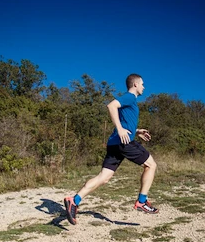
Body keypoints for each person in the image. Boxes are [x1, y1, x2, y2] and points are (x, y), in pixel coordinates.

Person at [64, 73, 159, 225]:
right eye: (142, 84)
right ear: (135, 84)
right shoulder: (129, 97)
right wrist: (121, 129)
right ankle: (142, 201)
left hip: (115, 142)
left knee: (104, 177)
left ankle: (74, 201)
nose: (144, 87)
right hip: (124, 142)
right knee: (151, 165)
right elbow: (111, 105)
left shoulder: (130, 101)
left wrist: (137, 131)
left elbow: (124, 121)